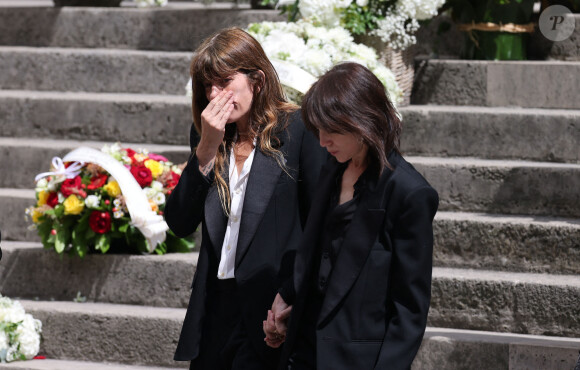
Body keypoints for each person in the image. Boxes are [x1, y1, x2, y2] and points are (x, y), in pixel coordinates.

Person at [164, 27, 326, 370]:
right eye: (207, 85)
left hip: (270, 305)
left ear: (258, 80)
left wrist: (292, 294)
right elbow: (179, 223)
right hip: (216, 308)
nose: (214, 94)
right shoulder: (208, 134)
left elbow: (319, 223)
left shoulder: (298, 130)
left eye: (224, 82)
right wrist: (206, 148)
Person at [263, 62, 439, 370]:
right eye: (318, 130)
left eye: (331, 130)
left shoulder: (409, 193)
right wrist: (286, 296)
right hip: (302, 350)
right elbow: (317, 251)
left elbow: (410, 309)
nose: (322, 141)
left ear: (362, 121)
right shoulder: (333, 167)